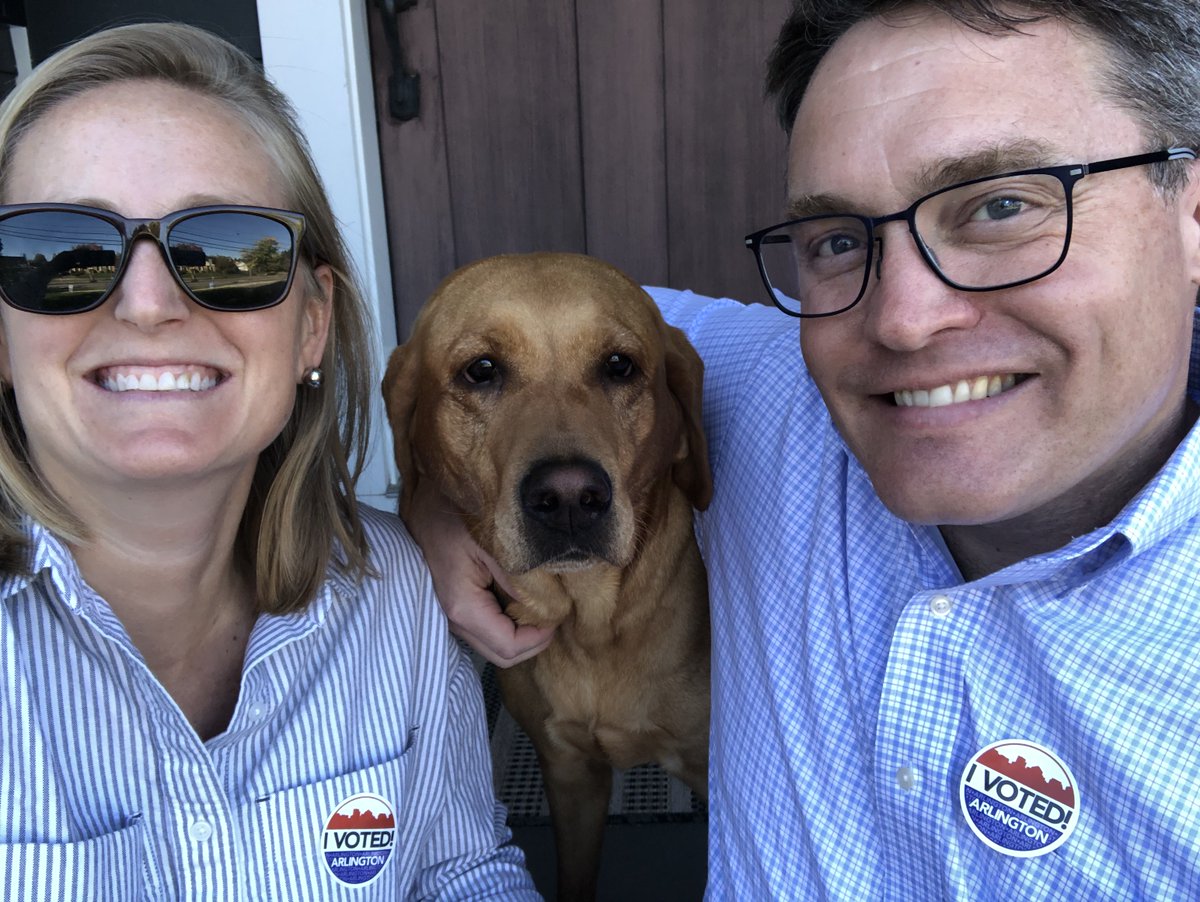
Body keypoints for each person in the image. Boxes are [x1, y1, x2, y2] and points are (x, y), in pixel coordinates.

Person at [411, 1, 1200, 898]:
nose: (903, 319)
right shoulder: (786, 381)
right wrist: (444, 502)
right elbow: (533, 349)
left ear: (1194, 216)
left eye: (1002, 205)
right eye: (838, 238)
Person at [0, 22, 537, 900]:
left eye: (223, 251)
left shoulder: (392, 596)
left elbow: (457, 871)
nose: (148, 303)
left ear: (311, 326)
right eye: (61, 251)